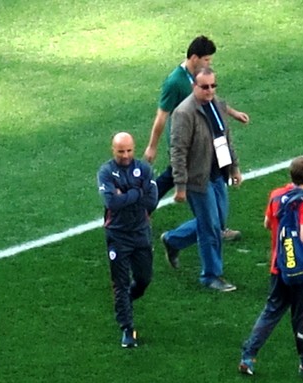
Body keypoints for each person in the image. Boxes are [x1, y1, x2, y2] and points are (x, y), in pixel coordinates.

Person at [144, 35, 248, 242]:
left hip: (208, 140)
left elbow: (213, 100)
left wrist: (234, 113)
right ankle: (146, 211)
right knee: (174, 176)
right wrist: (152, 146)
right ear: (194, 57)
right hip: (186, 142)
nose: (209, 63)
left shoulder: (200, 79)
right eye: (207, 59)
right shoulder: (175, 82)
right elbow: (161, 116)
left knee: (201, 177)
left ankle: (216, 226)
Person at [238, 157, 303, 375]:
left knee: (271, 311)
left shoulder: (276, 195)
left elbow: (266, 223)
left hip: (278, 266)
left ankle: (248, 355)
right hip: (300, 270)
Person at [161, 67, 242, 292]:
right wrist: (180, 185)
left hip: (217, 173)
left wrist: (234, 168)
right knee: (210, 227)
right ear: (194, 86)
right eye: (204, 87)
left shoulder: (216, 104)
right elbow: (177, 151)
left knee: (217, 222)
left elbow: (224, 138)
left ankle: (173, 240)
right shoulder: (184, 113)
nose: (209, 90)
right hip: (198, 178)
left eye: (213, 86)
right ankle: (210, 275)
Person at [97, 132, 159, 348]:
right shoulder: (106, 172)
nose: (125, 155)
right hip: (117, 235)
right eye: (121, 151)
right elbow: (112, 202)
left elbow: (152, 199)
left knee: (144, 279)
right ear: (113, 150)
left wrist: (126, 194)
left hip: (140, 232)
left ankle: (126, 302)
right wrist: (136, 192)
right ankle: (126, 328)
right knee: (120, 283)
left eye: (129, 150)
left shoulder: (144, 169)